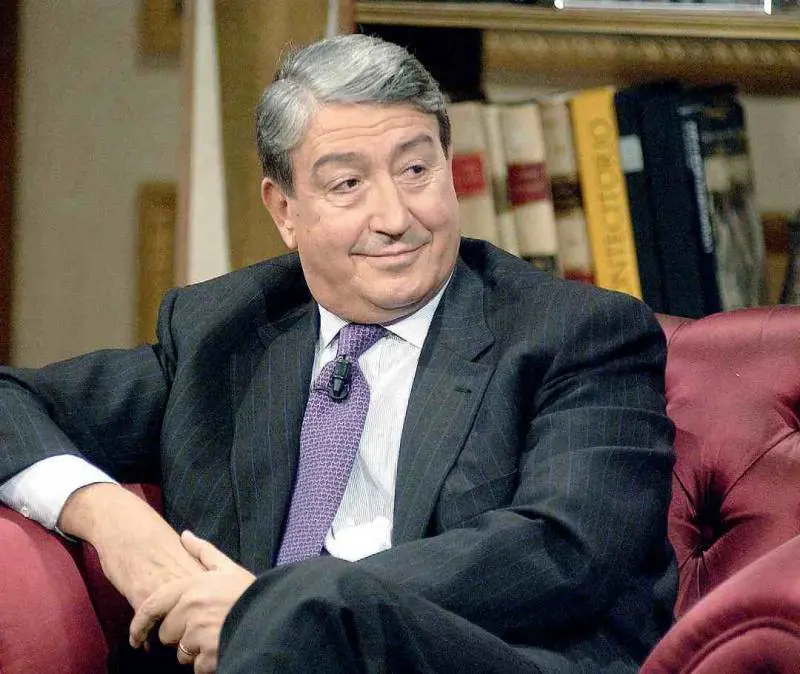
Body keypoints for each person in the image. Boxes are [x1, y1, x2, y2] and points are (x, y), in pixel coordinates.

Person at [0, 33, 676, 674]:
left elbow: (563, 550)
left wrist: (275, 612)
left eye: (416, 170)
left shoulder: (577, 333)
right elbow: (12, 401)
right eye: (347, 184)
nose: (395, 218)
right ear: (285, 211)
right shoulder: (223, 332)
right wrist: (109, 515)